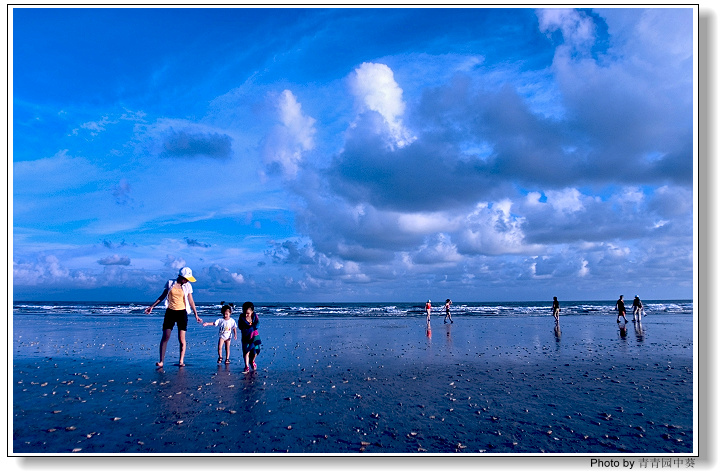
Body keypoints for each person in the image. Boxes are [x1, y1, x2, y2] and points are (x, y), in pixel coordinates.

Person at [145, 266, 202, 367]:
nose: (187, 281)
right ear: (181, 277)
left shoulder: (188, 286)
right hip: (170, 312)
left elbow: (191, 301)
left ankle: (181, 361)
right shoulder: (170, 283)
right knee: (166, 336)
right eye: (186, 279)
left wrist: (196, 315)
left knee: (181, 339)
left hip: (182, 313)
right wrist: (152, 307)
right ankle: (161, 361)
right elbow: (162, 296)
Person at [239, 301, 262, 373]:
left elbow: (258, 325)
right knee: (246, 351)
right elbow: (240, 326)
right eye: (245, 313)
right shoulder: (242, 317)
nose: (246, 315)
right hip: (245, 336)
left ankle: (252, 361)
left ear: (252, 311)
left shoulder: (255, 316)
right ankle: (246, 366)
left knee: (255, 350)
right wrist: (246, 327)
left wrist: (252, 326)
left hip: (254, 336)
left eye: (248, 313)